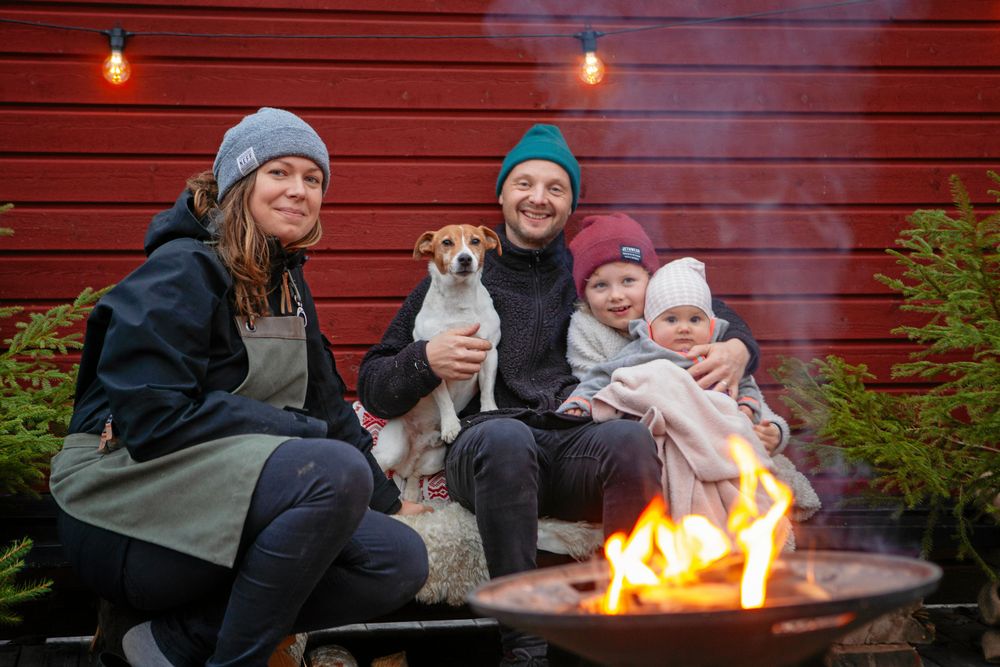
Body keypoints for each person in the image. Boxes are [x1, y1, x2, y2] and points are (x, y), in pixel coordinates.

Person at [356, 124, 760, 666]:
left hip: (573, 444)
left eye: (556, 187)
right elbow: (376, 384)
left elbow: (695, 307)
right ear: (502, 195)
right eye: (524, 183)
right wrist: (423, 362)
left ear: (570, 203)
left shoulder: (595, 270)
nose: (538, 198)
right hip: (487, 452)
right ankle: (525, 646)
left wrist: (739, 348)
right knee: (506, 437)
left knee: (628, 441)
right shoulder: (460, 267)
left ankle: (625, 632)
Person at [49, 108, 429, 667]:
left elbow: (327, 406)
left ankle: (172, 644)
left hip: (226, 499)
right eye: (280, 173)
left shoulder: (289, 285)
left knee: (397, 560)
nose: (298, 191)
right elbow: (152, 420)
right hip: (125, 513)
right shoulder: (180, 270)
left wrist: (390, 503)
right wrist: (298, 433)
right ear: (241, 183)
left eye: (313, 178)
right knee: (328, 469)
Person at [559, 213, 790, 454]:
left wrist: (771, 428)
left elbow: (738, 383)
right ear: (584, 294)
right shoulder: (588, 332)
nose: (616, 295)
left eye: (628, 280)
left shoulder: (688, 325)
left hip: (724, 441)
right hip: (645, 446)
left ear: (651, 280)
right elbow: (596, 388)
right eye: (600, 285)